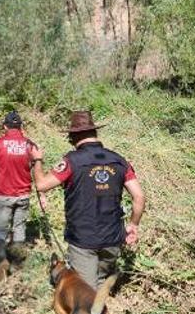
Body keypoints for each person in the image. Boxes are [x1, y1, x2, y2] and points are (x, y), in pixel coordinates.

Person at [30, 111, 145, 290]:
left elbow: (42, 185)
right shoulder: (120, 161)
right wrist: (134, 225)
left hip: (83, 239)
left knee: (86, 291)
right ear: (94, 133)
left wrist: (37, 160)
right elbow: (139, 196)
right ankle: (101, 309)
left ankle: (91, 313)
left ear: (74, 136)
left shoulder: (71, 161)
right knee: (100, 283)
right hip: (113, 237)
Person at [0, 111, 44, 264]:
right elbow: (38, 172)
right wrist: (42, 194)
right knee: (19, 228)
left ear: (5, 126)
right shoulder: (30, 145)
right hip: (23, 195)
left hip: (3, 195)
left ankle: (1, 262)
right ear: (20, 126)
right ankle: (17, 263)